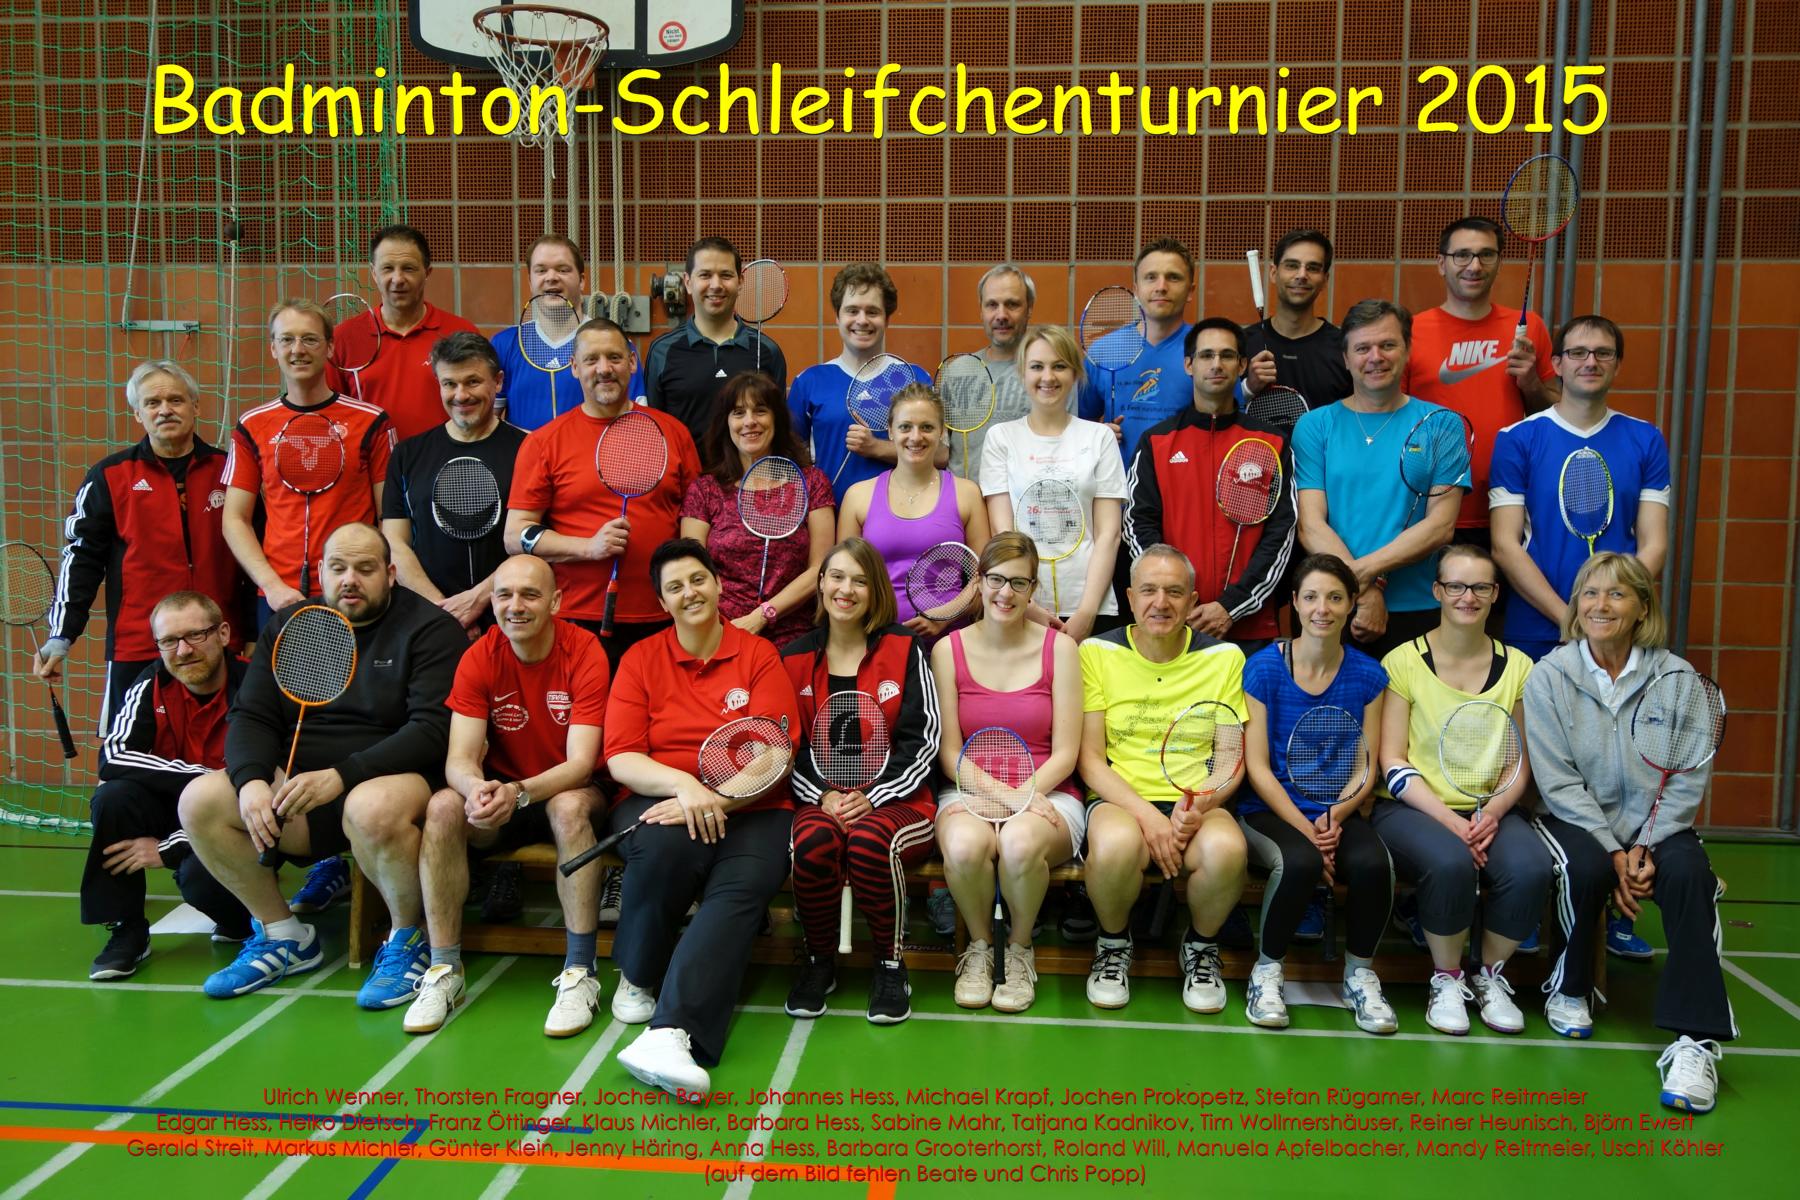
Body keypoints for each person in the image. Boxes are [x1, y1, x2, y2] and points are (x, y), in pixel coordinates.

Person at [178, 523, 466, 1006]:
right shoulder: (291, 626)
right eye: (338, 568)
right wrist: (250, 781)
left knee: (370, 805)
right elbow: (251, 716)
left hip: (390, 784)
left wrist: (343, 776)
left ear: (391, 574)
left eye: (365, 568)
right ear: (320, 572)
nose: (350, 579)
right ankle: (283, 935)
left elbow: (432, 732)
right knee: (200, 800)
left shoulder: (431, 629)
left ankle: (406, 939)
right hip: (302, 794)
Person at [1523, 552, 1737, 1112]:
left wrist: (1645, 842)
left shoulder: (1679, 679)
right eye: (1590, 594)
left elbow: (1687, 776)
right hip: (1576, 818)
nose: (1601, 605)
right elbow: (1557, 781)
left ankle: (1695, 1043)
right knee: (1585, 865)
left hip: (1658, 824)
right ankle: (1569, 989)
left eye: (1617, 594)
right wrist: (1615, 851)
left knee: (1690, 876)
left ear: (1643, 608)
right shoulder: (1548, 676)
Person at [604, 539, 802, 1101]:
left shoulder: (758, 655)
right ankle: (639, 972)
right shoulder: (641, 659)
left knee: (743, 884)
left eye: (697, 579)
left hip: (755, 806)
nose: (689, 593)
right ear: (662, 602)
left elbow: (774, 752)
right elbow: (622, 757)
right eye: (674, 587)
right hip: (662, 795)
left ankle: (671, 1033)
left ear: (717, 584)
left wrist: (712, 797)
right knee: (663, 848)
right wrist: (684, 786)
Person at [406, 555, 611, 1037]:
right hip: (504, 793)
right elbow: (458, 759)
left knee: (568, 808)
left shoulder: (585, 651)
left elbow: (581, 764)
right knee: (442, 805)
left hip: (569, 790)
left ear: (555, 602)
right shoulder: (479, 656)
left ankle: (580, 971)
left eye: (530, 595)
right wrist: (476, 789)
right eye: (504, 595)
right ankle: (444, 968)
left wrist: (519, 792)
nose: (515, 606)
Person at [1372, 544, 1551, 1035]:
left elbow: (1518, 761)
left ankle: (1490, 976)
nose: (1467, 597)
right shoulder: (1402, 661)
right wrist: (1452, 822)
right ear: (1437, 591)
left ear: (1495, 594)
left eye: (1479, 587)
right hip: (1412, 809)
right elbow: (1392, 760)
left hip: (1491, 809)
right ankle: (1447, 978)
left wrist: (1492, 812)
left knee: (1530, 868)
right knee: (1450, 862)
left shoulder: (1520, 667)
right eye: (1455, 585)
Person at [1077, 545, 1248, 1013]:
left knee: (1227, 850)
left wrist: (1200, 807)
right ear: (1130, 598)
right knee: (1114, 848)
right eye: (1149, 590)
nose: (1161, 602)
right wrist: (1149, 818)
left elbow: (1230, 759)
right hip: (1122, 799)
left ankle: (1201, 948)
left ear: (1193, 601)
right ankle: (1113, 944)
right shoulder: (1096, 652)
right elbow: (1091, 761)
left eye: (1174, 592)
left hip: (1197, 803)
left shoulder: (1225, 658)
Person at [780, 538, 940, 1023]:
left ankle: (890, 966)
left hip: (901, 802)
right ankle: (818, 961)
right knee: (812, 842)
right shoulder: (793, 657)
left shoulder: (905, 648)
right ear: (821, 583)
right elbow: (785, 748)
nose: (845, 590)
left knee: (871, 842)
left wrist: (872, 796)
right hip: (820, 801)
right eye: (837, 577)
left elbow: (923, 739)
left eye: (860, 581)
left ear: (876, 592)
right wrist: (824, 795)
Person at [39, 359, 244, 728]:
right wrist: (61, 636)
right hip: (138, 645)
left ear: (196, 406)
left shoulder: (230, 471)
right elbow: (81, 560)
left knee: (225, 749)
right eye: (152, 403)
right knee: (127, 751)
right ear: (138, 414)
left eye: (176, 400)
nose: (165, 410)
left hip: (218, 643)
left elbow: (256, 555)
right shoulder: (109, 476)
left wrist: (255, 632)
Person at [1238, 554, 1396, 1033]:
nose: (1321, 608)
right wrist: (1307, 829)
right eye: (1310, 597)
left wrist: (1334, 816)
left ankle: (1360, 976)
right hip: (1269, 810)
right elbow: (1257, 768)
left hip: (1336, 811)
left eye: (1334, 598)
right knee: (1300, 861)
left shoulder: (1369, 675)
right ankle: (1267, 972)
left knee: (1373, 864)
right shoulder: (1263, 669)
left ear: (1351, 605)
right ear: (1295, 603)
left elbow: (1365, 765)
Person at [931, 532, 1084, 1013]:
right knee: (964, 845)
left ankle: (1018, 949)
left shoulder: (1061, 649)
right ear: (978, 582)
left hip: (1049, 792)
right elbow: (950, 756)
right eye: (996, 579)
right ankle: (980, 949)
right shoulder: (947, 650)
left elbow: (1066, 753)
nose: (1006, 593)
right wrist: (1009, 797)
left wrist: (1025, 798)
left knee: (1018, 843)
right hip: (971, 789)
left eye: (1019, 583)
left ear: (1033, 589)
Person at [505, 317, 701, 669]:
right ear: (574, 367)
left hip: (666, 613)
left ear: (632, 362)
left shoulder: (673, 433)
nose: (604, 369)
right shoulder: (544, 442)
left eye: (614, 357)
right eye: (591, 359)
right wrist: (588, 548)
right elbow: (515, 535)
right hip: (577, 618)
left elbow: (696, 522)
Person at [82, 591, 250, 980]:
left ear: (223, 634)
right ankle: (126, 928)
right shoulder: (151, 684)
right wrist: (204, 777)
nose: (183, 650)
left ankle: (241, 917)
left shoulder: (252, 685)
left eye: (195, 635)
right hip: (179, 801)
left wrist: (167, 847)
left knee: (201, 884)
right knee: (113, 798)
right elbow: (113, 758)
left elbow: (251, 787)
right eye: (169, 641)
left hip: (234, 819)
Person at [1293, 299, 1467, 660]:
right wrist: (1364, 591)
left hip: (1418, 607)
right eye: (1362, 348)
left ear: (1407, 350)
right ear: (1345, 358)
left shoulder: (1443, 425)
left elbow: (1440, 527)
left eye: (1388, 345)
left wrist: (1357, 580)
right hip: (1330, 610)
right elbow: (1310, 526)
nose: (1376, 357)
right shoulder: (1314, 426)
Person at [1490, 316, 1671, 661]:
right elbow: (1504, 545)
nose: (1591, 362)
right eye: (1578, 353)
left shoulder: (1647, 439)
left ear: (1617, 365)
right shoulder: (1516, 439)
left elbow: (1655, 544)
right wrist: (1570, 620)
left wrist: (1610, 612)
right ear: (1557, 364)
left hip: (1619, 630)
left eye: (1603, 353)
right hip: (1538, 629)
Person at [1126, 317, 1297, 650]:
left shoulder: (1272, 442)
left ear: (1242, 365)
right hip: (1174, 625)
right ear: (1189, 365)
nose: (1216, 364)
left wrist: (1231, 606)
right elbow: (1137, 526)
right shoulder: (1157, 442)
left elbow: (1282, 534)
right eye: (1206, 355)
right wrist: (1172, 598)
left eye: (1227, 355)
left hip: (1249, 629)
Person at [222, 299, 394, 620]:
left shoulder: (372, 421)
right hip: (278, 597)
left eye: (310, 339)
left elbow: (391, 515)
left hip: (353, 592)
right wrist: (272, 586)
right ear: (273, 349)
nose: (298, 349)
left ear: (330, 347)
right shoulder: (251, 425)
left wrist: (371, 578)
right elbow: (234, 519)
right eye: (287, 339)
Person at [1403, 217, 1558, 542]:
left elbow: (1558, 417)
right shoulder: (1410, 332)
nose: (1474, 266)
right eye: (1462, 255)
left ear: (1499, 262)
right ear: (1441, 263)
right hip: (1429, 510)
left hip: (1508, 507)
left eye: (1486, 255)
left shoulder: (1530, 328)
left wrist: (1531, 383)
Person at [982, 325, 1126, 642]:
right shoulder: (1001, 438)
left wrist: (1086, 613)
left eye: (1059, 366)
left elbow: (1109, 535)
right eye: (1037, 366)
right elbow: (1003, 535)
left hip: (1091, 606)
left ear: (1075, 373)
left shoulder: (1100, 438)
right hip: (1020, 603)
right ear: (1022, 373)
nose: (1048, 377)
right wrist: (1028, 604)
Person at [382, 331, 528, 637]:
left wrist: (478, 600)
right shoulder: (407, 455)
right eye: (449, 384)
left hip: (511, 621)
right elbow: (394, 543)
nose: (461, 395)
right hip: (430, 623)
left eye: (473, 381)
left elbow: (535, 542)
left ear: (498, 382)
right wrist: (444, 613)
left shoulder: (531, 449)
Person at [680, 371, 836, 647]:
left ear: (777, 419)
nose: (749, 421)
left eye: (760, 411)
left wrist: (763, 615)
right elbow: (692, 570)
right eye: (738, 412)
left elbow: (820, 569)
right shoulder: (705, 490)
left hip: (795, 637)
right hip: (721, 633)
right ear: (726, 423)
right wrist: (725, 626)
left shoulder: (811, 482)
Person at [838, 384, 991, 637]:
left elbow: (985, 578)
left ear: (942, 432)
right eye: (905, 427)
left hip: (948, 642)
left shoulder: (967, 493)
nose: (916, 437)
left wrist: (942, 617)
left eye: (927, 427)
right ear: (890, 431)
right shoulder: (858, 496)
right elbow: (843, 578)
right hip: (876, 639)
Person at [788, 263, 934, 502]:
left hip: (905, 514)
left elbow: (942, 455)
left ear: (887, 319)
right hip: (831, 517)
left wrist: (877, 448)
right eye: (852, 311)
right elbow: (790, 462)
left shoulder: (915, 378)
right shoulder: (809, 382)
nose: (862, 320)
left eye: (872, 312)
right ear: (837, 317)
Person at [328, 224, 480, 440]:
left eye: (408, 268)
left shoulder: (461, 333)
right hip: (372, 462)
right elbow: (331, 414)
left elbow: (479, 407)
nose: (398, 279)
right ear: (374, 273)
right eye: (387, 268)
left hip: (444, 460)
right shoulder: (343, 338)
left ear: (427, 272)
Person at [643, 236, 787, 446]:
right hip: (686, 469)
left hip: (749, 469)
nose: (716, 285)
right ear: (688, 283)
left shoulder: (767, 351)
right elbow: (656, 432)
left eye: (726, 275)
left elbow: (778, 430)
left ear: (740, 282)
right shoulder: (662, 351)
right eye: (705, 275)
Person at [949, 264, 1076, 480]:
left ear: (1029, 309)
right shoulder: (957, 371)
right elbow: (940, 451)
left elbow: (1068, 447)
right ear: (981, 310)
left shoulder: (1052, 377)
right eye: (992, 305)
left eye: (1012, 304)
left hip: (1027, 499)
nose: (1001, 315)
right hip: (964, 500)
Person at [1078, 237, 1197, 463]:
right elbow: (1075, 427)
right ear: (1136, 289)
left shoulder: (1207, 352)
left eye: (1173, 277)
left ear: (1190, 291)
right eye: (1151, 277)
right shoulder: (1103, 351)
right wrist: (1095, 435)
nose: (1161, 286)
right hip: (1115, 483)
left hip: (1181, 482)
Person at [1240, 228, 1354, 409]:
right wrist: (1247, 388)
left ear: (1325, 280)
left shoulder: (1345, 349)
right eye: (1292, 265)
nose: (1302, 275)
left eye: (1313, 268)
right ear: (1273, 273)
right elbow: (1215, 411)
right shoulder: (1241, 344)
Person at [491, 235, 592, 430]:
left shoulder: (613, 344)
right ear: (530, 282)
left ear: (581, 281)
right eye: (541, 270)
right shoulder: (504, 344)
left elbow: (631, 422)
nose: (551, 277)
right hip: (524, 451)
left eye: (563, 269)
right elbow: (486, 424)